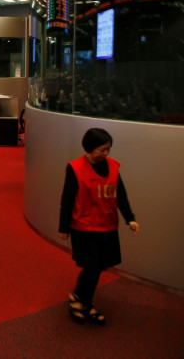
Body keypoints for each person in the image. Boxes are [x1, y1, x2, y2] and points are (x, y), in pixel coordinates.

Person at [58, 128, 140, 325]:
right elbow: (67, 198)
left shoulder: (112, 166)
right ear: (89, 147)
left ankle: (80, 299)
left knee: (98, 267)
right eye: (101, 149)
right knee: (92, 267)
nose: (105, 154)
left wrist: (130, 218)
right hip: (84, 227)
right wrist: (64, 226)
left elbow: (121, 194)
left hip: (107, 225)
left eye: (108, 149)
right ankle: (83, 302)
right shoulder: (76, 168)